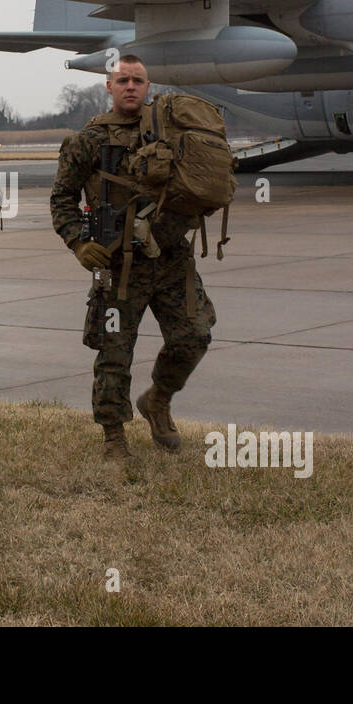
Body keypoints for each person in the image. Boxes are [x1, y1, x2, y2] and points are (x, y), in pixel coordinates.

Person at [49, 55, 217, 459]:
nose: (130, 86)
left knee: (194, 336)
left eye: (138, 80)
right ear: (108, 86)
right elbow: (62, 198)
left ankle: (157, 399)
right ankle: (114, 438)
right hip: (119, 266)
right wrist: (77, 242)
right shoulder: (87, 140)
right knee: (115, 353)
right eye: (122, 80)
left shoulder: (170, 132)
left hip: (172, 260)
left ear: (148, 86)